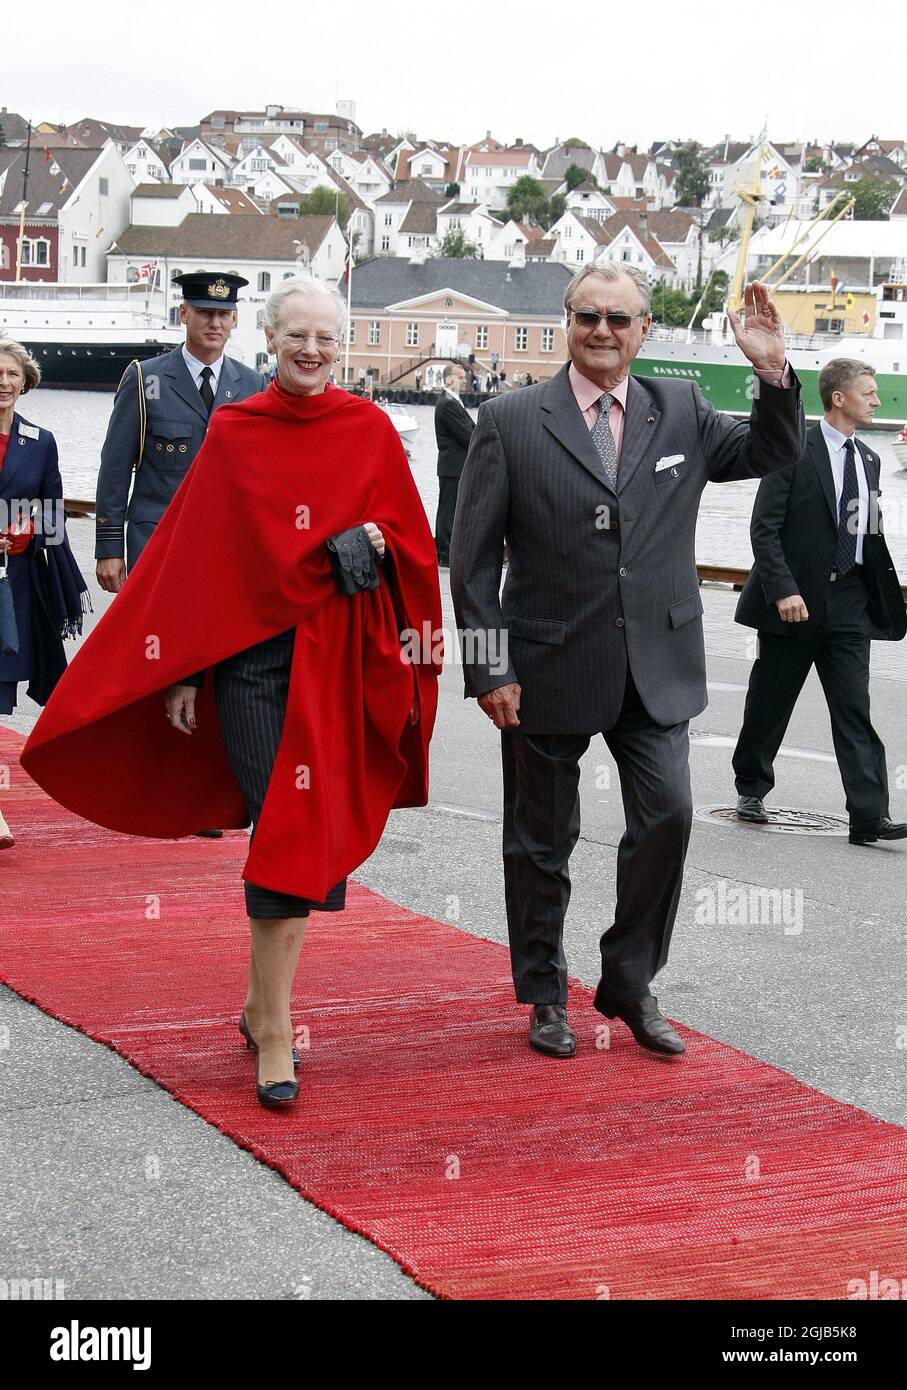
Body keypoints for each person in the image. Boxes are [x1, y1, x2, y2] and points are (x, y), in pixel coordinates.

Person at [22, 276, 442, 1108]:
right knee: (286, 825)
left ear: (342, 344)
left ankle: (258, 1005)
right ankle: (278, 1031)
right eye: (298, 336)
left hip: (339, 662)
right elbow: (194, 555)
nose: (312, 350)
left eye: (326, 337)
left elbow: (413, 544)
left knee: (309, 828)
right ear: (271, 338)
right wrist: (180, 666)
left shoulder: (369, 431)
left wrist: (372, 541)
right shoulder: (236, 430)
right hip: (252, 668)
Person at [450, 266, 803, 1060]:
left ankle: (629, 980)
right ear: (565, 324)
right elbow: (470, 561)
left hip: (657, 664)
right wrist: (485, 667)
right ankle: (544, 994)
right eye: (587, 316)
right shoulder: (509, 421)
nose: (602, 330)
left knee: (668, 816)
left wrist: (771, 371)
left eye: (619, 318)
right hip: (543, 666)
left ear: (644, 328)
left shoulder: (678, 408)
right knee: (540, 842)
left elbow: (774, 451)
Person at [733, 358, 906, 844]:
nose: (876, 401)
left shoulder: (869, 460)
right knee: (771, 700)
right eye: (868, 393)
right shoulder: (793, 449)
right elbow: (763, 529)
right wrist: (784, 589)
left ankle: (869, 814)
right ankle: (751, 786)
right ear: (838, 398)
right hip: (795, 601)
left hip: (850, 603)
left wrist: (880, 596)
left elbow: (867, 536)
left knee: (854, 707)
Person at [95, 271, 267, 590]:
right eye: (204, 312)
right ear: (184, 313)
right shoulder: (146, 378)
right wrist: (109, 548)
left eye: (222, 315)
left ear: (234, 320)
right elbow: (115, 468)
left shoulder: (254, 386)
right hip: (156, 541)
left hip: (226, 547)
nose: (214, 323)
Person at [0, 338, 89, 850]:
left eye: (13, 374)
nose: (4, 382)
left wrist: (28, 531)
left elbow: (53, 513)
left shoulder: (42, 440)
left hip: (15, 582)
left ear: (25, 381)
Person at [434, 365, 474, 568]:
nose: (464, 380)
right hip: (453, 466)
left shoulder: (451, 401)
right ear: (449, 380)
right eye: (460, 377)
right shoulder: (448, 404)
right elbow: (467, 434)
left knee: (449, 508)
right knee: (449, 510)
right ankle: (445, 553)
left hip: (453, 466)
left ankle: (444, 550)